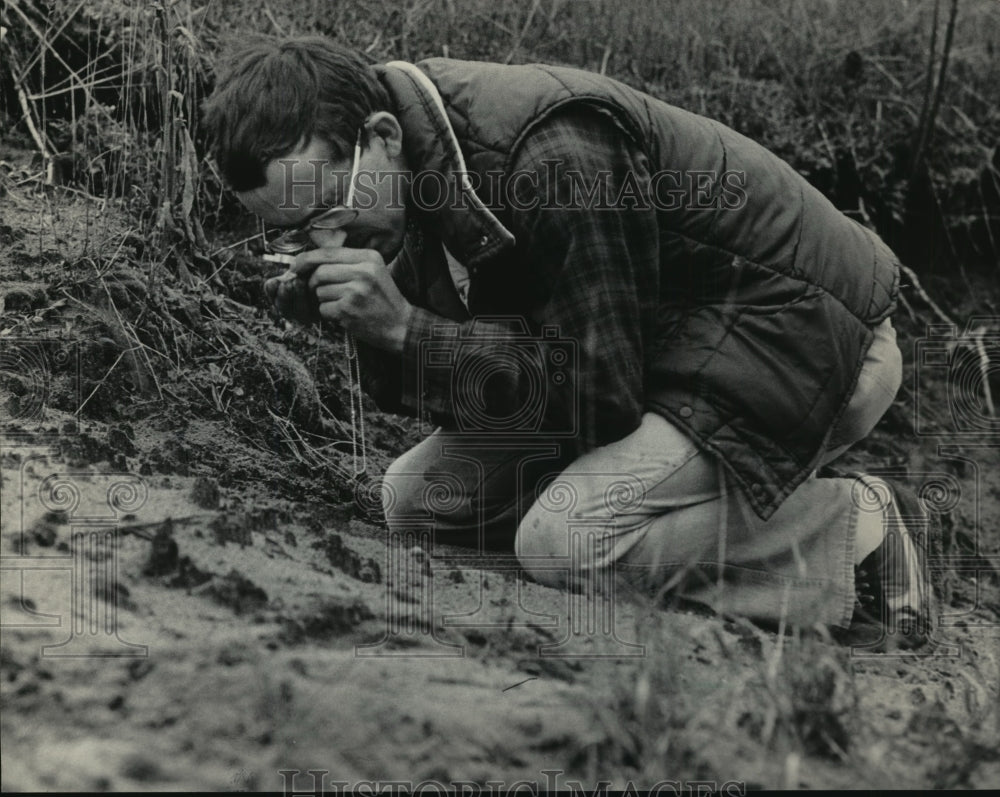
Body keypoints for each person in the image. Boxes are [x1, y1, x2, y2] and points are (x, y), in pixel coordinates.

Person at [202, 35, 933, 647]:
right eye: (292, 232)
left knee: (570, 538)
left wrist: (405, 327)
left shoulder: (552, 157)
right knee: (419, 501)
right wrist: (366, 325)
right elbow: (482, 387)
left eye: (326, 210)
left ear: (381, 137)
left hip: (807, 340)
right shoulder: (412, 175)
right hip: (663, 355)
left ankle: (860, 530)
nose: (321, 240)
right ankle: (653, 533)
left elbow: (596, 397)